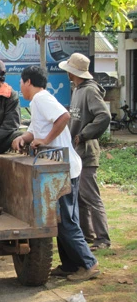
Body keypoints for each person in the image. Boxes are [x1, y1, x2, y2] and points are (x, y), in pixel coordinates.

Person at [12, 65, 99, 281]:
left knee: (66, 221)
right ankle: (69, 265)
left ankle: (89, 263)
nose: (20, 87)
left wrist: (46, 140)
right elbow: (35, 130)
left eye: (21, 83)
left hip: (64, 170)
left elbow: (64, 116)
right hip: (57, 169)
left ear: (29, 82)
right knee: (59, 221)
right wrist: (24, 138)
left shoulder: (41, 99)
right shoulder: (37, 102)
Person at [59, 53, 112, 250]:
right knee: (80, 196)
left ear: (73, 72)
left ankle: (102, 238)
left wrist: (84, 134)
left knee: (91, 196)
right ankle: (87, 234)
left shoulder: (89, 91)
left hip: (86, 151)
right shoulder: (78, 89)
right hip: (77, 152)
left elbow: (103, 116)